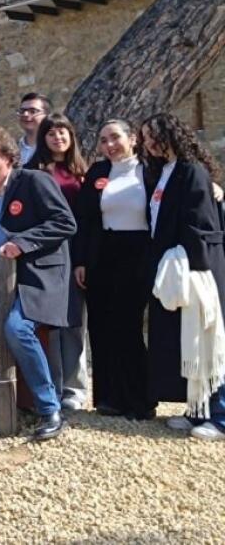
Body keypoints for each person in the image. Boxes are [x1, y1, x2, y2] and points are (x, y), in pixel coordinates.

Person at [0, 127, 76, 441]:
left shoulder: (33, 181)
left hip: (40, 279)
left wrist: (22, 243)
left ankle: (49, 408)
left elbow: (65, 222)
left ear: (7, 156)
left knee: (17, 329)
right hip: (1, 284)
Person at [138, 112, 225, 440]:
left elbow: (200, 225)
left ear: (170, 134)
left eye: (151, 135)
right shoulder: (163, 172)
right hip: (173, 266)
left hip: (196, 268)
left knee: (208, 336)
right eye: (144, 137)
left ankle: (221, 416)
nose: (147, 142)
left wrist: (194, 267)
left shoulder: (192, 171)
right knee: (188, 339)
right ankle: (197, 410)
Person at [74, 119, 154, 420]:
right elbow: (84, 218)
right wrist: (81, 260)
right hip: (102, 253)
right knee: (101, 326)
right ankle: (109, 398)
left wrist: (214, 186)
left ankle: (139, 399)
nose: (109, 145)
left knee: (128, 326)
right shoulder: (97, 172)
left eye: (115, 137)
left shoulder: (150, 169)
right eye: (103, 139)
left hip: (137, 253)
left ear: (132, 138)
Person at [27, 113, 90, 411]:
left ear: (71, 136)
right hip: (45, 254)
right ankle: (53, 382)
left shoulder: (82, 172)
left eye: (62, 131)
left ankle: (74, 387)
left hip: (75, 253)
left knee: (74, 321)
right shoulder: (33, 171)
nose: (57, 137)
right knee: (50, 321)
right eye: (51, 133)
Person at [15, 93, 51, 166]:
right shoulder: (13, 148)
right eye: (22, 111)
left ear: (46, 115)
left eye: (33, 111)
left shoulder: (54, 146)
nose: (25, 114)